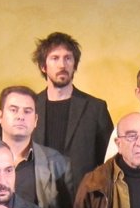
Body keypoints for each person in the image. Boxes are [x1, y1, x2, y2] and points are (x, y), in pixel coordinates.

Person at [32, 32, 114, 187]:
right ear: (43, 66)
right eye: (55, 58)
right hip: (38, 195)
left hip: (83, 196)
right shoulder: (30, 107)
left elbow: (108, 160)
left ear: (75, 65)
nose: (62, 65)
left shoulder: (95, 108)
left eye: (68, 58)